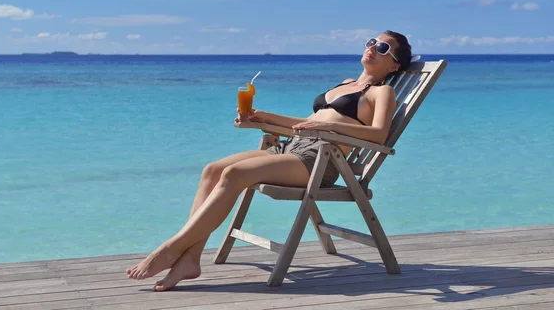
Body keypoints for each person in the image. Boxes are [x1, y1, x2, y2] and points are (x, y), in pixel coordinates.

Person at [126, 30, 413, 291]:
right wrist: (263, 118)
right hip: (293, 148)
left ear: (394, 65)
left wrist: (331, 128)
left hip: (320, 161)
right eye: (372, 42)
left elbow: (378, 135)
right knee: (213, 170)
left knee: (234, 174)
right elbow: (305, 123)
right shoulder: (346, 84)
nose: (374, 47)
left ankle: (170, 248)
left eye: (384, 47)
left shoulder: (381, 92)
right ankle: (191, 259)